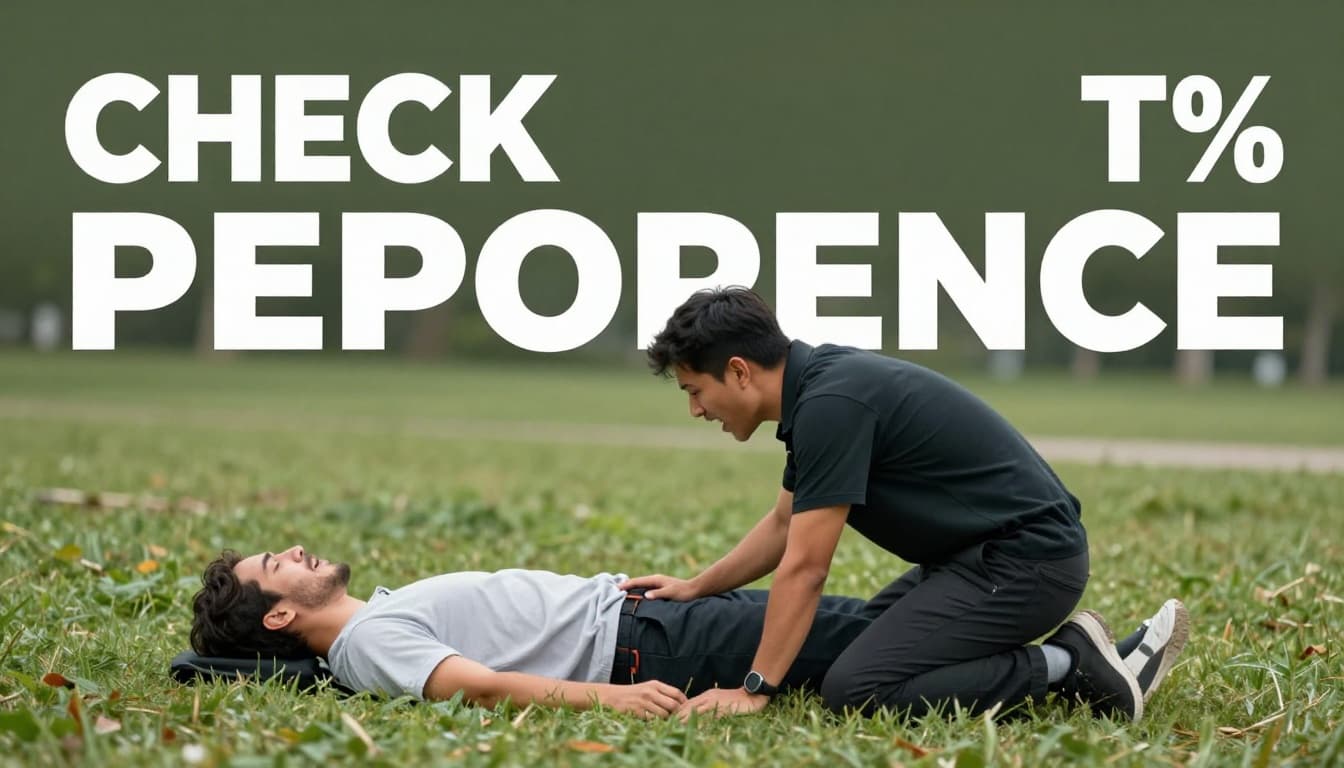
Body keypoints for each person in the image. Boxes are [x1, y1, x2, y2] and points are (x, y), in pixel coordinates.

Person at [625, 287, 1189, 722]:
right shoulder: (818, 391)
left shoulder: (831, 404)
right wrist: (697, 586)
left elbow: (806, 567)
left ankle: (1072, 665)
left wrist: (755, 689)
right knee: (861, 642)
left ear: (739, 371)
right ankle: (1091, 659)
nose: (696, 410)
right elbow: (781, 525)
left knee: (856, 688)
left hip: (1027, 564)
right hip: (981, 560)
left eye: (694, 391)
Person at [188, 545, 1186, 718]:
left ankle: (1054, 648)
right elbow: (476, 686)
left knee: (859, 636)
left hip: (648, 620)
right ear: (280, 615)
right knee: (856, 647)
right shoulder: (365, 647)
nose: (297, 550)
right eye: (277, 563)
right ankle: (1070, 663)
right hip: (650, 650)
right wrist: (613, 697)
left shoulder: (370, 623)